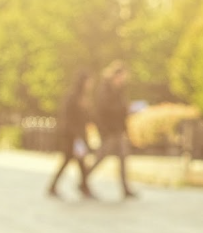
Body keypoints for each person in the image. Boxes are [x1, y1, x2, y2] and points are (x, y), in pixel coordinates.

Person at [85, 61, 138, 199]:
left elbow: (121, 111)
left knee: (123, 158)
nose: (123, 80)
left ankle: (125, 189)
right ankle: (83, 179)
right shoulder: (105, 89)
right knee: (101, 157)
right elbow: (103, 111)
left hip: (118, 130)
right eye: (121, 77)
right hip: (108, 131)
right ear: (115, 75)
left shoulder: (120, 90)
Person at [47, 71, 96, 200]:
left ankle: (82, 187)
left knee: (76, 162)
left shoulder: (83, 97)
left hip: (78, 135)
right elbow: (68, 118)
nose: (91, 84)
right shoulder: (73, 97)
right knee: (73, 161)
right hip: (72, 136)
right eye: (89, 81)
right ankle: (83, 187)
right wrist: (75, 135)